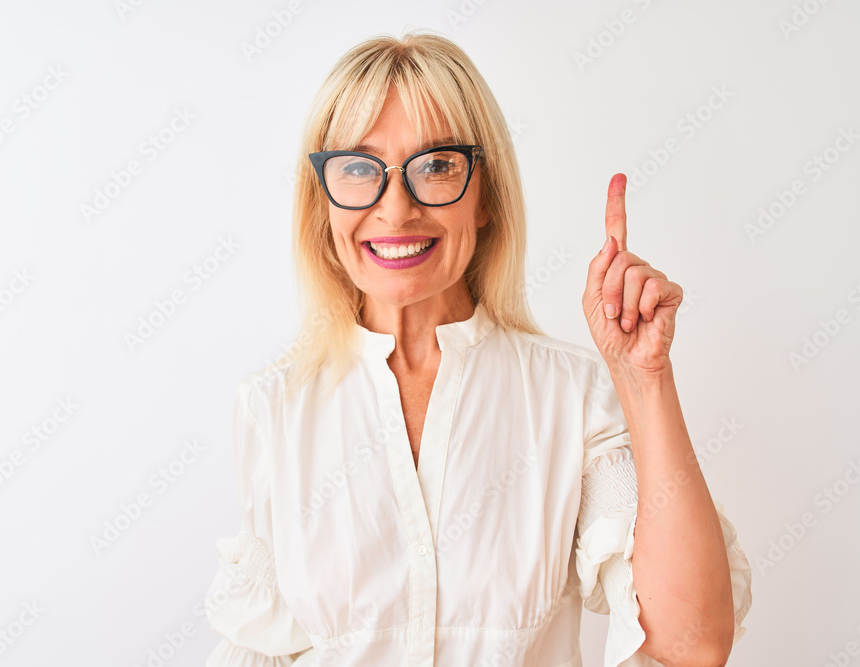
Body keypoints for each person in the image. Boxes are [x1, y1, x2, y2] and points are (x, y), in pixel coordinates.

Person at [201, 30, 752, 666]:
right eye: (358, 168)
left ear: (485, 194)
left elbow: (693, 645)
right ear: (323, 199)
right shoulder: (275, 408)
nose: (396, 209)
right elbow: (261, 649)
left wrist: (643, 379)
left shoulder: (568, 396)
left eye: (436, 166)